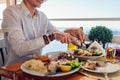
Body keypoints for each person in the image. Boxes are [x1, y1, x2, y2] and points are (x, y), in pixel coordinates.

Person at [1, 0, 84, 65]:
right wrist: (52, 36)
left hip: (37, 69)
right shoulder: (11, 13)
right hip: (15, 72)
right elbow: (20, 49)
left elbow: (56, 33)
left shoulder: (42, 16)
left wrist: (69, 31)